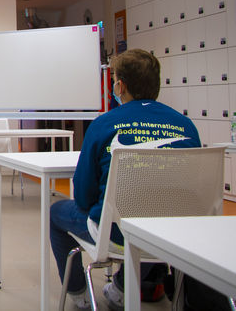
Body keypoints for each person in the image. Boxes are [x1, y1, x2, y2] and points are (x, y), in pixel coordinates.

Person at [50, 49, 201, 310]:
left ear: (120, 85)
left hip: (116, 233)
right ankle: (120, 290)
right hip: (172, 236)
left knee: (55, 213)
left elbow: (84, 195)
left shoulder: (104, 124)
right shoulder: (186, 126)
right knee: (149, 221)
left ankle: (80, 296)